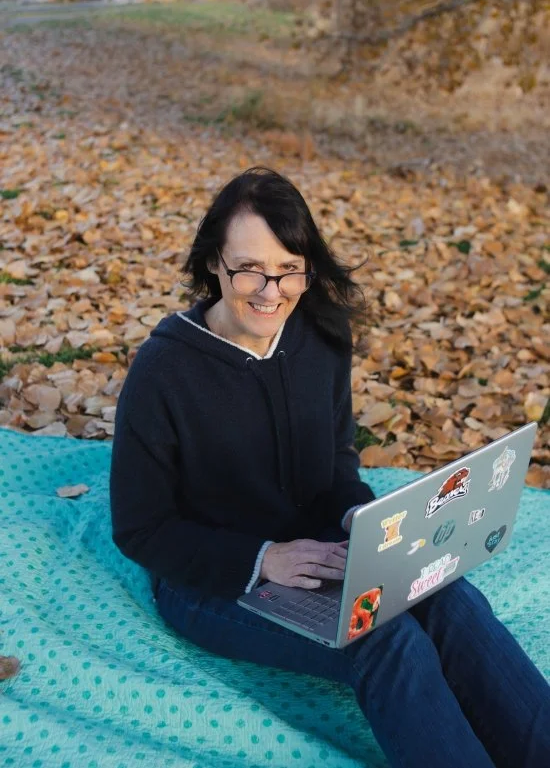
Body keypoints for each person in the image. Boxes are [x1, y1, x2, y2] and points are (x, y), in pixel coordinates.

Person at [109, 167, 550, 768]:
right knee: (383, 639)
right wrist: (265, 557)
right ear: (213, 263)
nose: (270, 291)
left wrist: (362, 516)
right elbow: (141, 528)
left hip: (321, 546)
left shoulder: (321, 334)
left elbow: (337, 464)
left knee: (449, 600)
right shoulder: (164, 372)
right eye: (248, 269)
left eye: (289, 268)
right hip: (211, 578)